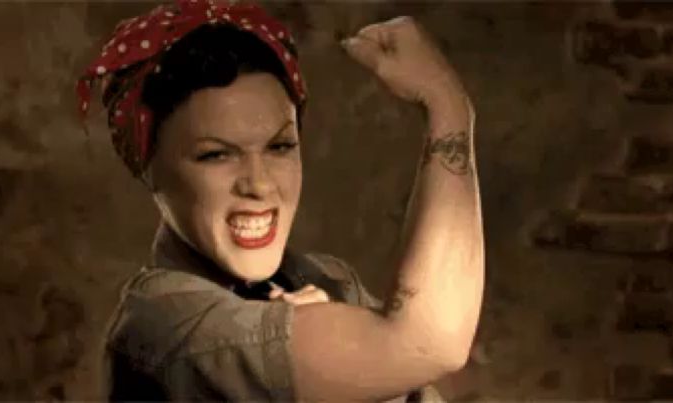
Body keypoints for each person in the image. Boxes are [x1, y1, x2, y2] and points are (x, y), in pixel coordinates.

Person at [75, 0, 484, 401]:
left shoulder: (324, 279)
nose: (259, 185)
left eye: (280, 146)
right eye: (216, 154)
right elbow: (432, 343)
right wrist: (447, 104)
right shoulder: (165, 325)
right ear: (146, 166)